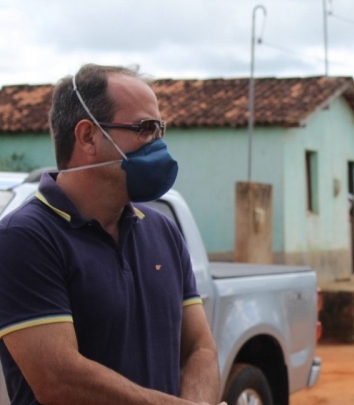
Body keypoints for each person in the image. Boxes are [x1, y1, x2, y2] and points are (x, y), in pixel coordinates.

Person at [0, 64, 225, 405]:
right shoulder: (24, 238)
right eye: (145, 129)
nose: (158, 144)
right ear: (88, 136)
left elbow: (200, 349)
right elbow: (59, 380)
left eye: (160, 129)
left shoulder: (162, 229)